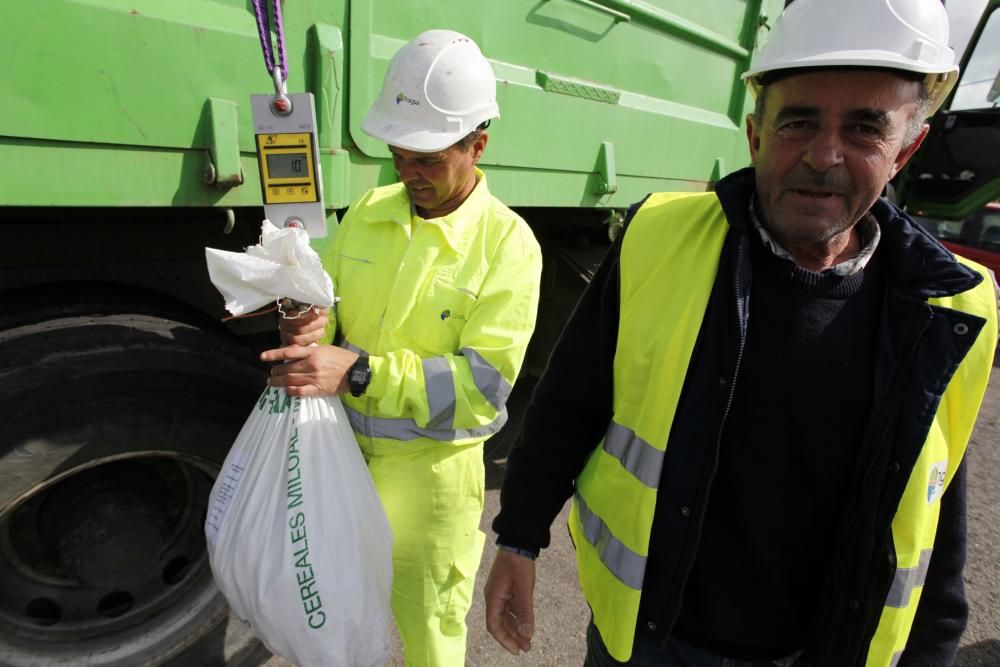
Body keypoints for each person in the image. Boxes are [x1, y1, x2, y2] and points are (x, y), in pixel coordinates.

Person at [484, 0, 999, 665]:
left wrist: (931, 651)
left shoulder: (954, 306)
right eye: (799, 121)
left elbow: (936, 520)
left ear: (906, 149)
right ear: (755, 135)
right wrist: (519, 539)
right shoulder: (657, 240)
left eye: (866, 126)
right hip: (651, 643)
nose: (824, 154)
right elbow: (570, 402)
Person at [260, 29, 542, 666]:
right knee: (334, 613)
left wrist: (355, 373)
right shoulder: (369, 211)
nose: (408, 174)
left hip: (431, 491)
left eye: (428, 159)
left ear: (478, 145)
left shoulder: (508, 245)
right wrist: (308, 326)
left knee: (429, 639)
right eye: (398, 156)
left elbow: (480, 389)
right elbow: (330, 306)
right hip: (342, 465)